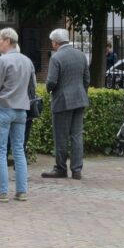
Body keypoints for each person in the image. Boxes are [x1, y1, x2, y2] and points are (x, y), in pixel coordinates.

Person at [0, 28, 36, 202]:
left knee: (1, 150)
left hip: (4, 108)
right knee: (19, 150)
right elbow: (32, 86)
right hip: (21, 109)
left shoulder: (2, 61)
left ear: (7, 40)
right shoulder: (27, 60)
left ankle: (2, 192)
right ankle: (21, 191)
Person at [42, 28, 90, 179]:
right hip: (80, 99)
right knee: (76, 136)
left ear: (56, 42)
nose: (52, 44)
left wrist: (49, 90)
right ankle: (77, 170)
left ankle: (60, 168)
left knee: (61, 136)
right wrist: (82, 93)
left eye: (52, 42)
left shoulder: (56, 58)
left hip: (62, 101)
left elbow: (51, 81)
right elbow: (87, 79)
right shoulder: (81, 55)